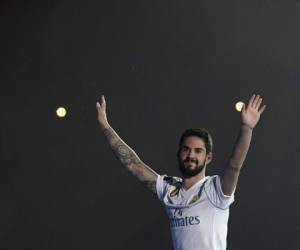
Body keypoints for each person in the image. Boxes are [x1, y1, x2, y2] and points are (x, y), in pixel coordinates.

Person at [96, 94, 266, 250]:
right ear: (179, 153)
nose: (191, 155)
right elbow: (134, 165)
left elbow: (234, 165)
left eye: (198, 151)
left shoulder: (216, 190)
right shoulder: (169, 189)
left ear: (208, 158)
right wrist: (105, 125)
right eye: (186, 149)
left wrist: (246, 128)